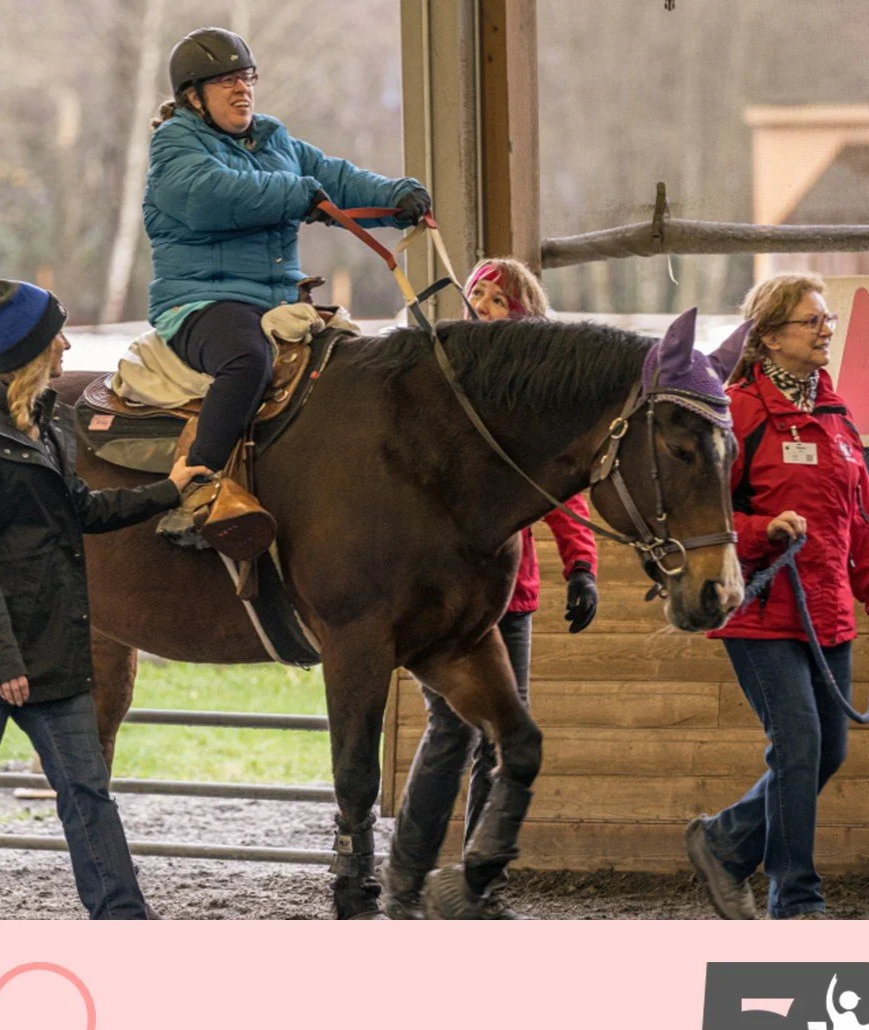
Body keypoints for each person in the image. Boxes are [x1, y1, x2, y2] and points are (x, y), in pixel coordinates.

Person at [0, 275, 209, 920]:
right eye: (55, 336)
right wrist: (2, 660)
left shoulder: (49, 423)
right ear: (29, 351)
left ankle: (121, 918)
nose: (66, 345)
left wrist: (170, 491)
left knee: (87, 792)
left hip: (49, 648)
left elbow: (82, 511)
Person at [145, 26, 432, 552]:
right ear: (193, 97)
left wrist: (398, 198)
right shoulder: (174, 145)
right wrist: (297, 194)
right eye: (227, 81)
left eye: (247, 78)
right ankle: (197, 489)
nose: (243, 90)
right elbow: (212, 197)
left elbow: (334, 179)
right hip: (202, 302)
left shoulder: (273, 138)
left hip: (276, 302)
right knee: (247, 359)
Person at [685, 273, 869, 921]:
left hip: (828, 611)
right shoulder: (737, 412)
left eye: (827, 320)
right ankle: (796, 897)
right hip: (761, 609)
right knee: (799, 745)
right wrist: (762, 530)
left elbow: (863, 521)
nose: (825, 331)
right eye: (811, 321)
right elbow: (701, 516)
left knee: (826, 751)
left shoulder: (836, 416)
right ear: (769, 336)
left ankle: (725, 841)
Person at [380, 258, 599, 919]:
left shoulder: (530, 402)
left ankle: (473, 883)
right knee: (453, 728)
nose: (480, 304)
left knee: (500, 736)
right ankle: (406, 877)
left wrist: (582, 565)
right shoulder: (449, 383)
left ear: (521, 309)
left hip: (512, 592)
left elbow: (560, 490)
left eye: (496, 298)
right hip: (447, 591)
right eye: (476, 294)